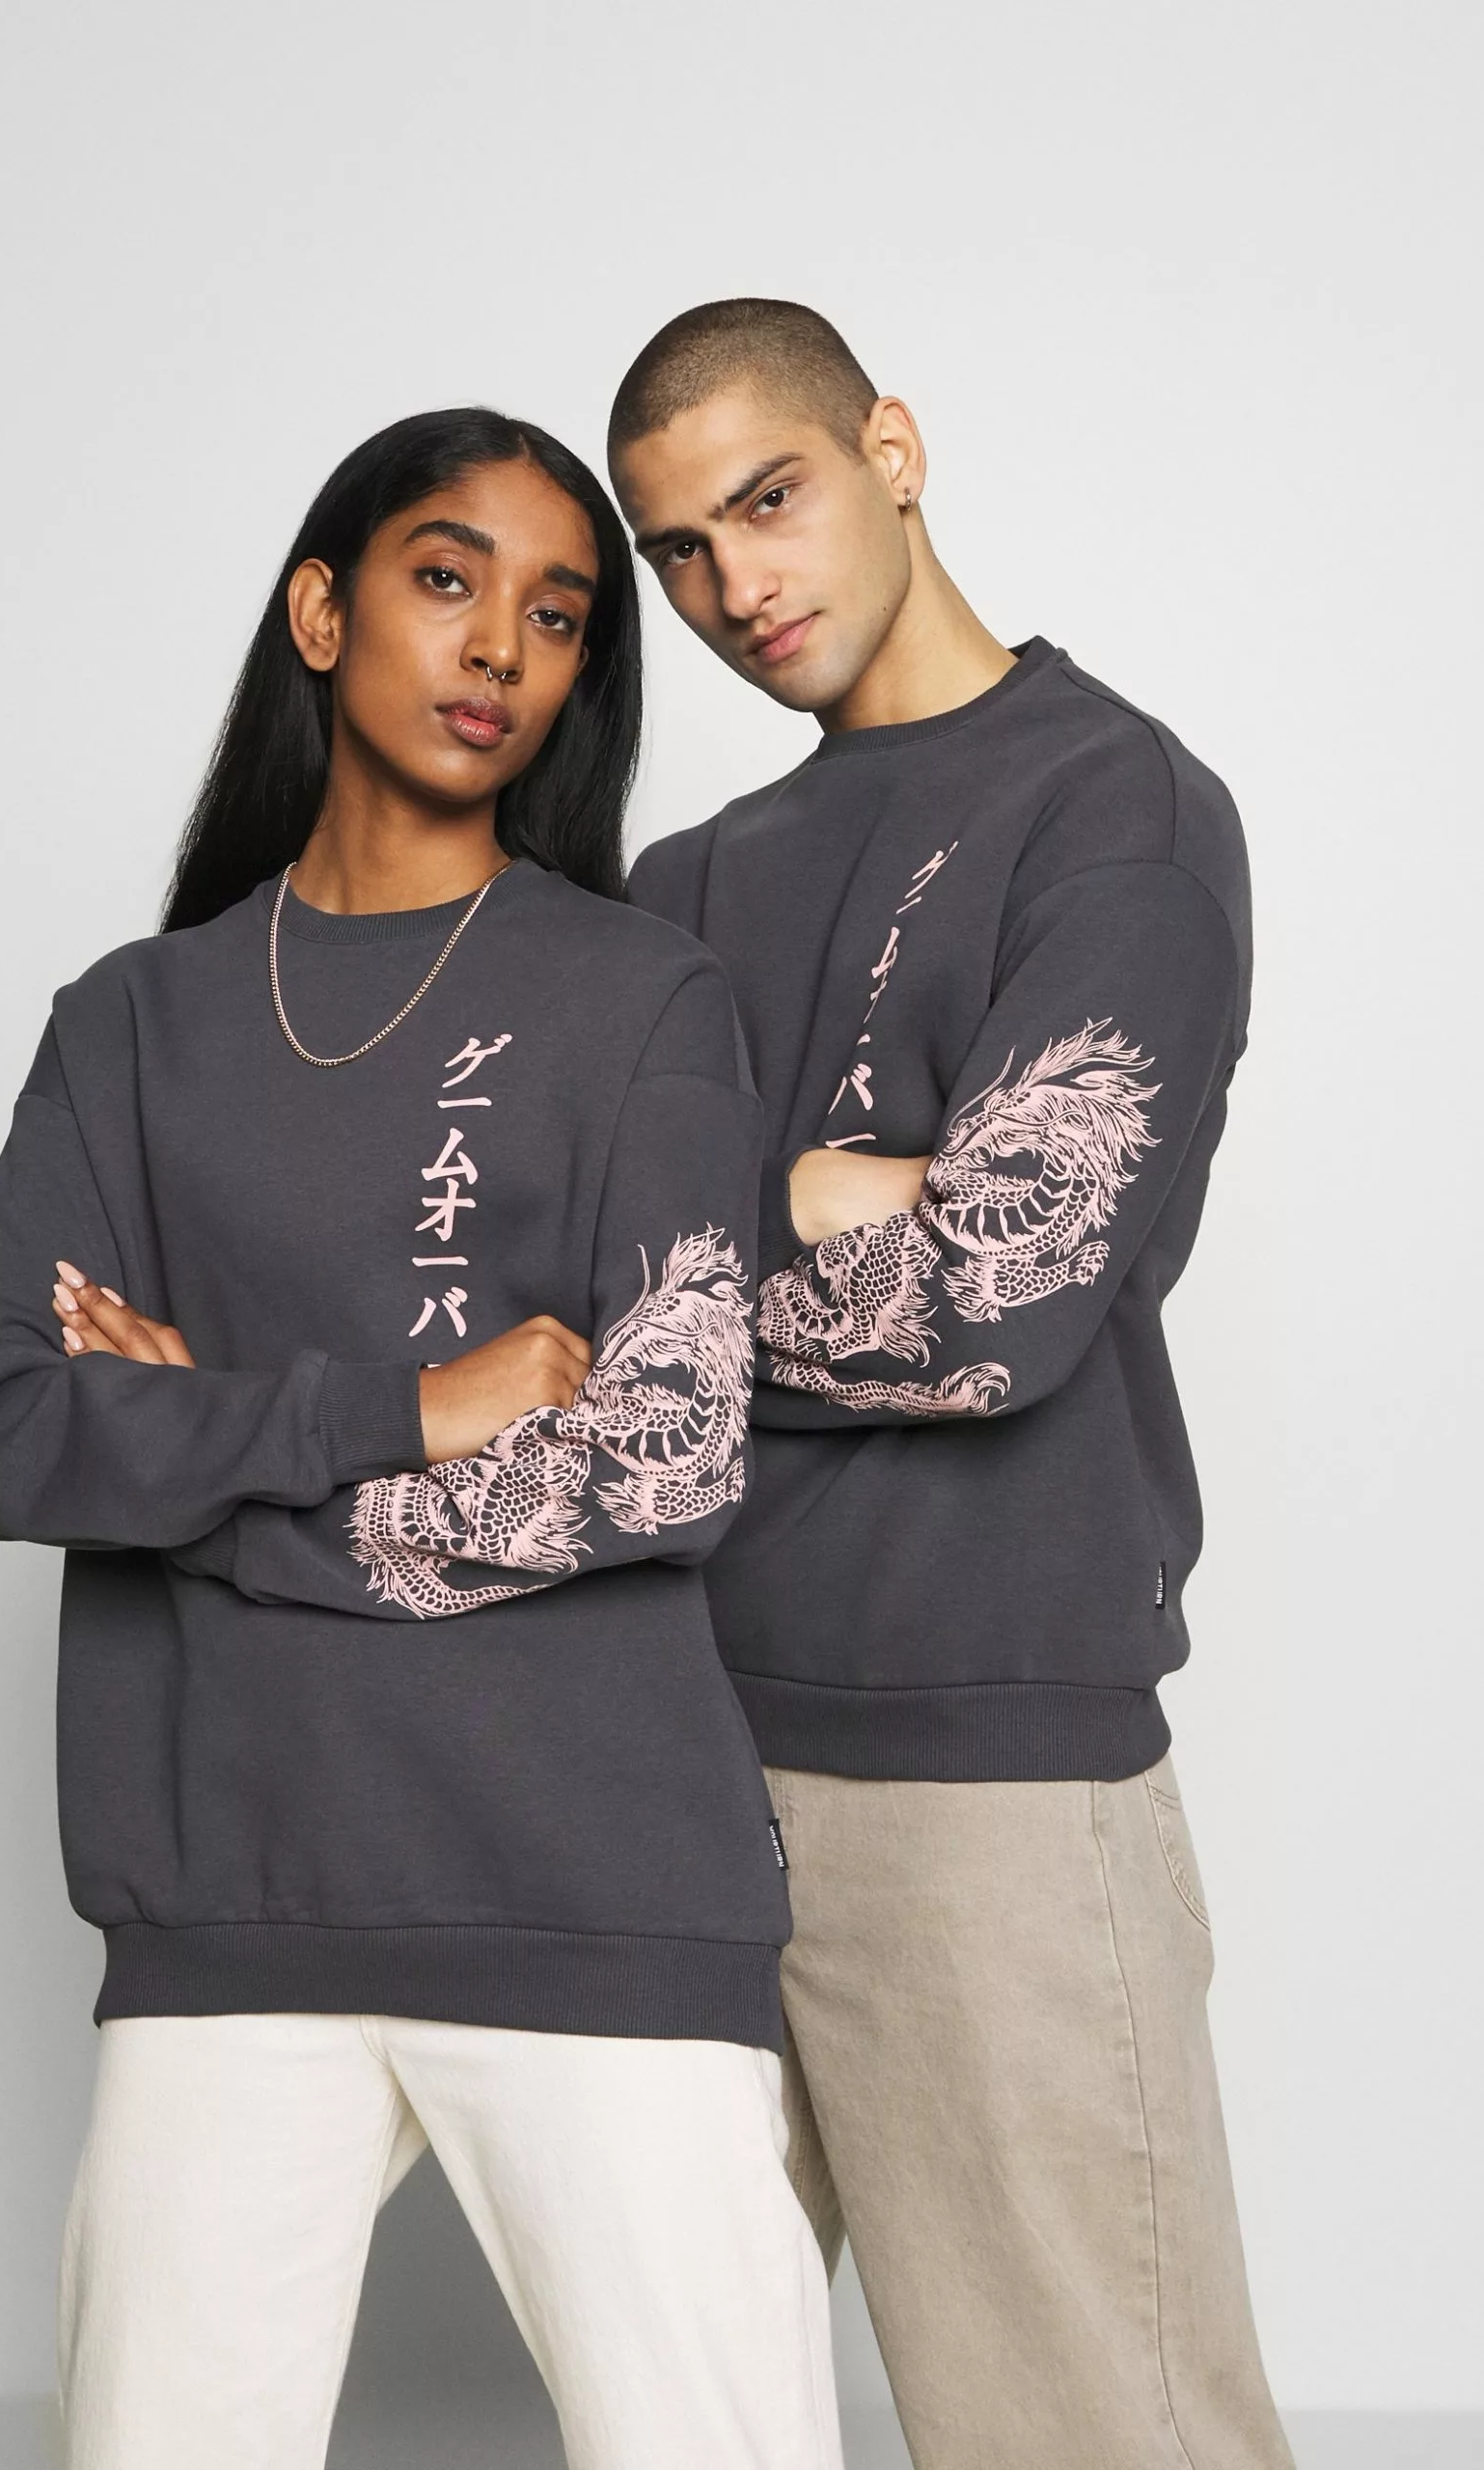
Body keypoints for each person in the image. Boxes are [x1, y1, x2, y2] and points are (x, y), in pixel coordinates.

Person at [0, 406, 843, 2470]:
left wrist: (197, 1472)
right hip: (230, 1901)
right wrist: (397, 1408)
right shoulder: (131, 1025)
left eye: (558, 614)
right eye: (446, 579)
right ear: (322, 615)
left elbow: (667, 1453)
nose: (500, 644)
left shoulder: (644, 996)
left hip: (598, 1889)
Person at [611, 300, 1293, 2470]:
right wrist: (835, 1195)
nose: (736, 584)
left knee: (1088, 2431)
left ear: (891, 449)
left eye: (770, 500)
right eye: (680, 550)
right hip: (665, 1760)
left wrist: (742, 1235)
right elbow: (576, 1318)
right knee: (670, 2428)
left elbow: (1003, 1296)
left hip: (981, 1776)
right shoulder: (679, 888)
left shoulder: (1115, 808)